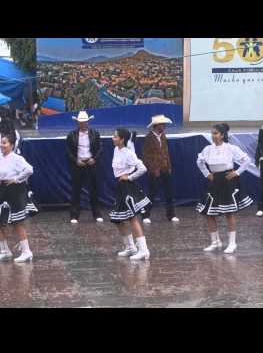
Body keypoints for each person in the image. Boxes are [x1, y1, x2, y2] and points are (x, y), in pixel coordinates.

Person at [196, 123, 253, 254]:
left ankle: (232, 243)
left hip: (227, 180)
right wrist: (207, 174)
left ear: (222, 135)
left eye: (215, 133)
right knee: (209, 213)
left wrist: (236, 173)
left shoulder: (230, 148)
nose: (213, 136)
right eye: (212, 133)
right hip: (214, 180)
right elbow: (199, 162)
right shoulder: (208, 149)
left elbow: (247, 160)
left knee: (229, 213)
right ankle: (215, 242)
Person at [0, 132, 38, 263]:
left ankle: (27, 251)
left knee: (16, 222)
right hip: (2, 192)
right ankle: (5, 251)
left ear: (11, 145)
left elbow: (29, 169)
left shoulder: (16, 158)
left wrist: (16, 179)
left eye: (5, 143)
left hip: (14, 191)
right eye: (1, 143)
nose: (2, 145)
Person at [109, 128, 151, 260]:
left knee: (132, 218)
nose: (113, 138)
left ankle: (144, 250)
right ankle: (130, 247)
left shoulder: (129, 153)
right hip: (120, 187)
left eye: (115, 136)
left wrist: (130, 177)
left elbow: (143, 168)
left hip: (128, 187)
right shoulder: (116, 150)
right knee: (117, 219)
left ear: (122, 139)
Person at [66, 111, 103, 224]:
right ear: (78, 123)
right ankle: (74, 215)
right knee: (76, 190)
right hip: (79, 164)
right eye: (80, 122)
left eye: (84, 122)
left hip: (90, 163)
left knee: (94, 190)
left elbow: (100, 148)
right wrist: (76, 160)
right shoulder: (71, 134)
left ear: (88, 122)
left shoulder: (94, 133)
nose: (83, 124)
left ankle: (97, 213)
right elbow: (68, 151)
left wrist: (94, 159)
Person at [142, 115, 179, 223]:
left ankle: (171, 215)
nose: (164, 126)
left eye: (164, 124)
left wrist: (169, 166)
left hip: (165, 169)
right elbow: (146, 156)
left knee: (169, 193)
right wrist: (153, 169)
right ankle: (145, 215)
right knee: (151, 193)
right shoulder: (148, 138)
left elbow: (166, 153)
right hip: (155, 171)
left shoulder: (163, 136)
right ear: (156, 126)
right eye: (162, 124)